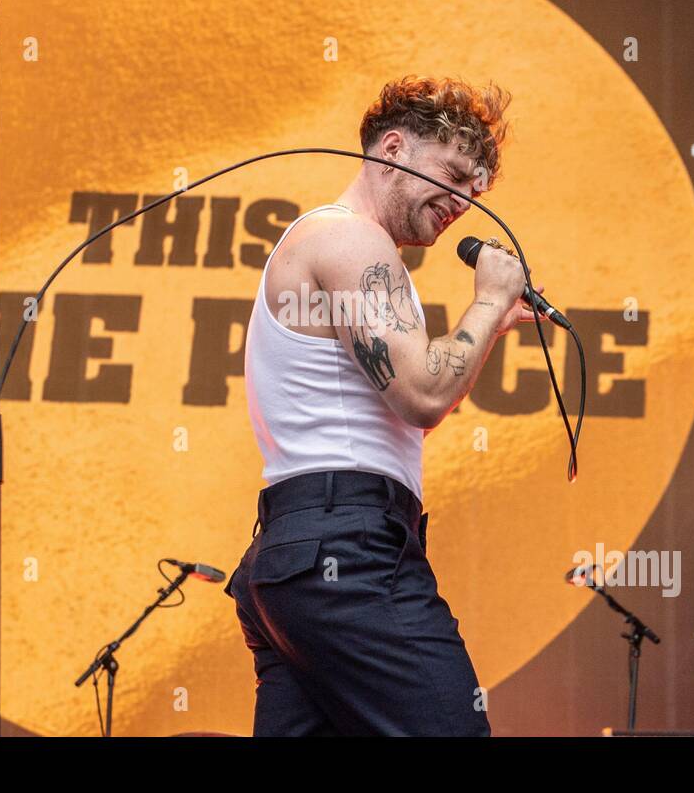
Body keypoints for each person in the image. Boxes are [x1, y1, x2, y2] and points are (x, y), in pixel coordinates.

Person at [225, 75, 541, 735]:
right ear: (393, 148)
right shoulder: (350, 241)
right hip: (348, 552)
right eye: (454, 176)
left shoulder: (335, 245)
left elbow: (406, 404)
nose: (463, 203)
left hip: (300, 558)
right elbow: (423, 395)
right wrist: (486, 302)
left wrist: (487, 328)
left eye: (474, 191)